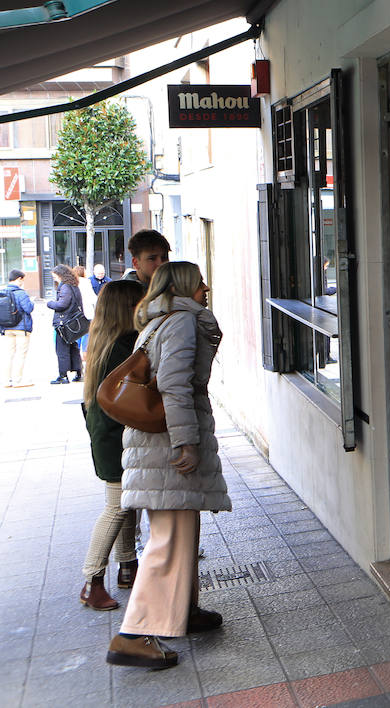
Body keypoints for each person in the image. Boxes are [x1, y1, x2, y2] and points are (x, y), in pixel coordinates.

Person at [106, 261, 228, 670]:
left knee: (181, 534)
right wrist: (187, 443)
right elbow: (174, 386)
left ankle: (180, 610)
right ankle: (134, 634)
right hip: (167, 449)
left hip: (157, 447)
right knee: (169, 539)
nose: (206, 286)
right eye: (199, 281)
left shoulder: (162, 321)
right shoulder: (179, 323)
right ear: (182, 286)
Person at [78, 280, 146, 611]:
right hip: (114, 436)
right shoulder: (124, 345)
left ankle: (127, 567)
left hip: (106, 434)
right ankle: (92, 581)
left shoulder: (104, 342)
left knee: (127, 503)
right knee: (117, 506)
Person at [47, 264, 83, 384]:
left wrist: (50, 303)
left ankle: (63, 376)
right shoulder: (74, 285)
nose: (55, 279)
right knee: (73, 348)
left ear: (61, 275)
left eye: (55, 276)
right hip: (73, 323)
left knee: (62, 350)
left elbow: (62, 304)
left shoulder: (65, 287)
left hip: (64, 323)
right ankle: (78, 373)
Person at [0, 268, 34, 388]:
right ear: (19, 279)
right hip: (21, 328)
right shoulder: (21, 293)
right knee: (20, 354)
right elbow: (28, 308)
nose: (22, 283)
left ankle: (6, 380)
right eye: (22, 280)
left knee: (9, 354)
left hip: (7, 328)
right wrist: (31, 302)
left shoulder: (2, 292)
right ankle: (17, 380)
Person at [74, 263, 98, 358]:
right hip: (87, 312)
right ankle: (85, 354)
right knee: (86, 334)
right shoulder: (86, 282)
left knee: (77, 335)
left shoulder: (72, 283)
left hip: (76, 314)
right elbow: (93, 298)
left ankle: (76, 354)